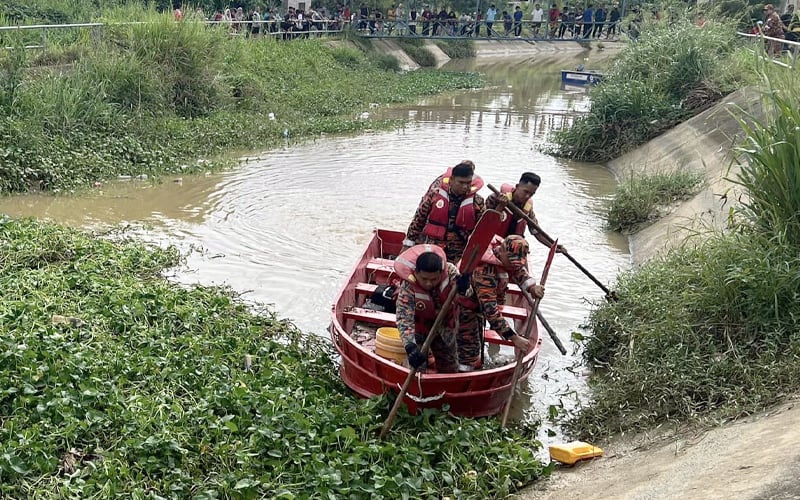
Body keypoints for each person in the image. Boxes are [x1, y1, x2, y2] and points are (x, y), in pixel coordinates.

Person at [456, 235, 545, 370]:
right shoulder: (484, 270)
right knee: (468, 351)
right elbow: (490, 310)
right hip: (464, 309)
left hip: (482, 305)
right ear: (501, 250)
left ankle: (478, 365)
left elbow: (518, 270)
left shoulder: (508, 259)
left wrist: (532, 287)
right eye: (511, 261)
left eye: (518, 262)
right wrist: (514, 338)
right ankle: (461, 375)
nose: (514, 265)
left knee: (477, 345)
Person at [395, 245, 471, 373]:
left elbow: (467, 294)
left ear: (441, 273)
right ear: (416, 273)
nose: (429, 283)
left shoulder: (451, 272)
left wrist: (464, 287)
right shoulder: (408, 286)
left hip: (445, 327)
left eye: (434, 279)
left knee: (450, 369)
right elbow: (404, 318)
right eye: (424, 279)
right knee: (417, 368)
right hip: (419, 329)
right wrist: (410, 346)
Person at [405, 161, 486, 262]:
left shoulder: (477, 202)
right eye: (461, 182)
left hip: (459, 251)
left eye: (468, 183)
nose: (465, 186)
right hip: (432, 247)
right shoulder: (435, 195)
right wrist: (408, 243)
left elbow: (483, 230)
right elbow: (418, 220)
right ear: (451, 180)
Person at [486, 172, 564, 253]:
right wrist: (501, 206)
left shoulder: (527, 208)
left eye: (531, 194)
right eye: (525, 192)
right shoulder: (495, 198)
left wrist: (553, 246)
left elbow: (537, 232)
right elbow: (485, 225)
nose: (527, 196)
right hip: (491, 242)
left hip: (513, 248)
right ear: (517, 186)